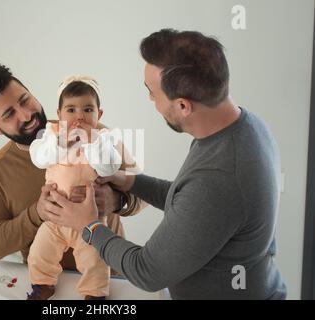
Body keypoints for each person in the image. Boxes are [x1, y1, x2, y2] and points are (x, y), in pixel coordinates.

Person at [42, 28, 288, 299]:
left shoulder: (220, 176)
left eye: (152, 93)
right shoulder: (243, 126)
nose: (150, 100)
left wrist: (89, 226)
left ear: (183, 106)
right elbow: (189, 199)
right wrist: (131, 181)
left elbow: (146, 270)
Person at [0, 65, 144, 278]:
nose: (26, 115)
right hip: (45, 285)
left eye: (25, 100)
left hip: (109, 277)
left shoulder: (96, 134)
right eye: (9, 114)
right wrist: (38, 214)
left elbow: (144, 194)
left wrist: (116, 201)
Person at [27, 75, 122, 300]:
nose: (79, 116)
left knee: (95, 259)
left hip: (89, 219)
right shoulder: (51, 136)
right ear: (59, 114)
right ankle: (42, 284)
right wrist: (59, 142)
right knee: (39, 252)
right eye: (71, 110)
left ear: (99, 115)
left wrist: (93, 141)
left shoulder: (103, 138)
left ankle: (94, 293)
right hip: (55, 219)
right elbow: (38, 158)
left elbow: (109, 167)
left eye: (88, 109)